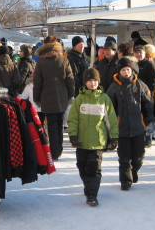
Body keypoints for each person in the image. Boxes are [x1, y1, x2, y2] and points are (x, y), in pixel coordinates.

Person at [68, 68, 118, 207]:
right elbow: (73, 119)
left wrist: (114, 137)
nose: (92, 83)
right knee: (82, 166)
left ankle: (92, 195)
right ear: (85, 82)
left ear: (99, 82)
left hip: (98, 141)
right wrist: (73, 135)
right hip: (82, 141)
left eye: (95, 80)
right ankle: (88, 186)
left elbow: (111, 120)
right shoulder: (79, 99)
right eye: (89, 80)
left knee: (94, 168)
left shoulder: (104, 99)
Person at [107, 57, 155, 191]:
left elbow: (147, 105)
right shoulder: (114, 87)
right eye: (123, 70)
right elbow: (109, 108)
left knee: (138, 156)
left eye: (128, 69)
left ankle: (133, 171)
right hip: (121, 128)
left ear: (132, 70)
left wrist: (150, 120)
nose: (126, 72)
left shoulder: (140, 85)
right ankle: (125, 181)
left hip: (138, 128)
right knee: (124, 157)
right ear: (119, 72)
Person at [33, 36, 75, 161]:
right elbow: (70, 79)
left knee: (51, 125)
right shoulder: (63, 59)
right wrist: (71, 94)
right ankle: (59, 149)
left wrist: (36, 98)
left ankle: (54, 152)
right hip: (62, 95)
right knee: (59, 124)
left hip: (46, 96)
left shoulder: (41, 61)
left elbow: (37, 82)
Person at [134, 45, 155, 147]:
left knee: (147, 118)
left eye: (141, 52)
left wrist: (150, 91)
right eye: (137, 52)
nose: (139, 54)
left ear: (145, 53)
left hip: (146, 96)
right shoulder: (132, 64)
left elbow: (154, 80)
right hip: (134, 95)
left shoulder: (149, 64)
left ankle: (148, 139)